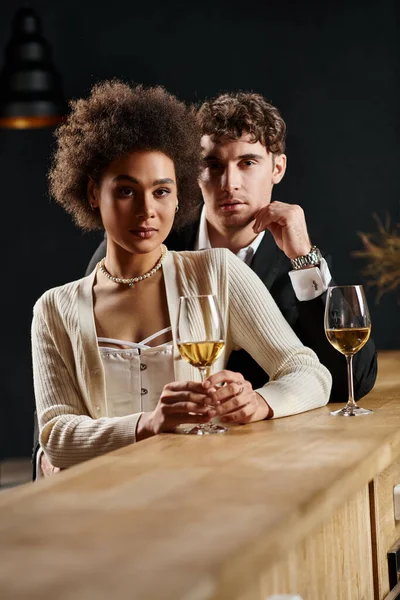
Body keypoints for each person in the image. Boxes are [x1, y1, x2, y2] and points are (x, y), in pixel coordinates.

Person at [32, 80, 331, 475]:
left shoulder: (218, 272)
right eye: (125, 191)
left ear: (178, 197)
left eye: (161, 191)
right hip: (98, 507)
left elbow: (309, 372)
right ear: (92, 193)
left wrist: (260, 402)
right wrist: (147, 424)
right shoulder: (54, 308)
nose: (146, 211)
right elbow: (55, 435)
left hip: (200, 493)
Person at [87, 91, 377, 400]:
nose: (229, 184)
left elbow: (351, 383)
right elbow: (80, 357)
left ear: (277, 168)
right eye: (212, 165)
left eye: (247, 162)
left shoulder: (300, 263)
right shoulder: (143, 240)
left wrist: (304, 259)